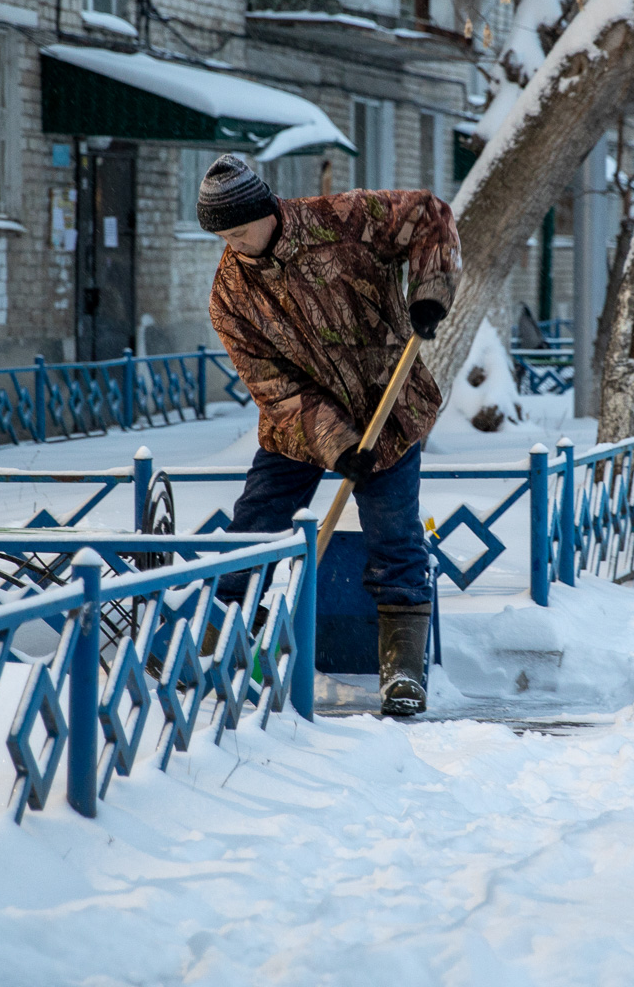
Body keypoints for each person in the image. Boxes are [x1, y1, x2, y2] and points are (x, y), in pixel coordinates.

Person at [197, 153, 460, 716]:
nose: (235, 245)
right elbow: (274, 385)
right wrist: (337, 444)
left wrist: (429, 291)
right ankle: (218, 646)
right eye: (223, 237)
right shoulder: (229, 296)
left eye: (241, 230)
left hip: (387, 407)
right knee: (253, 531)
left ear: (265, 209)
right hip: (300, 428)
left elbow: (429, 216)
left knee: (394, 536)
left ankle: (403, 674)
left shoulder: (340, 219)